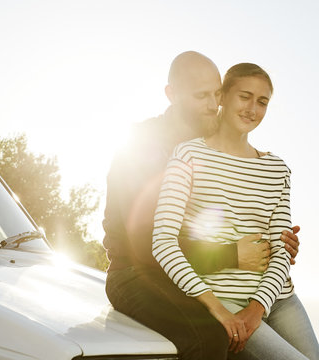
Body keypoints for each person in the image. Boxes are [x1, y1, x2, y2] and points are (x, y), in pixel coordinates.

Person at [103, 51, 301, 360]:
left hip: (195, 274)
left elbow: (237, 213)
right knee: (208, 336)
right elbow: (143, 247)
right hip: (136, 274)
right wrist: (234, 254)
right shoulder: (143, 146)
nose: (214, 104)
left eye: (217, 93)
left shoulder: (216, 141)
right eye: (201, 96)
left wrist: (277, 243)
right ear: (172, 94)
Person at [152, 62, 319, 359]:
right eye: (244, 97)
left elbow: (281, 248)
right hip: (224, 299)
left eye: (262, 102)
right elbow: (163, 243)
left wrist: (258, 307)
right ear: (223, 97)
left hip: (278, 299)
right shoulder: (188, 155)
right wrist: (214, 306)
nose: (252, 109)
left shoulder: (277, 169)